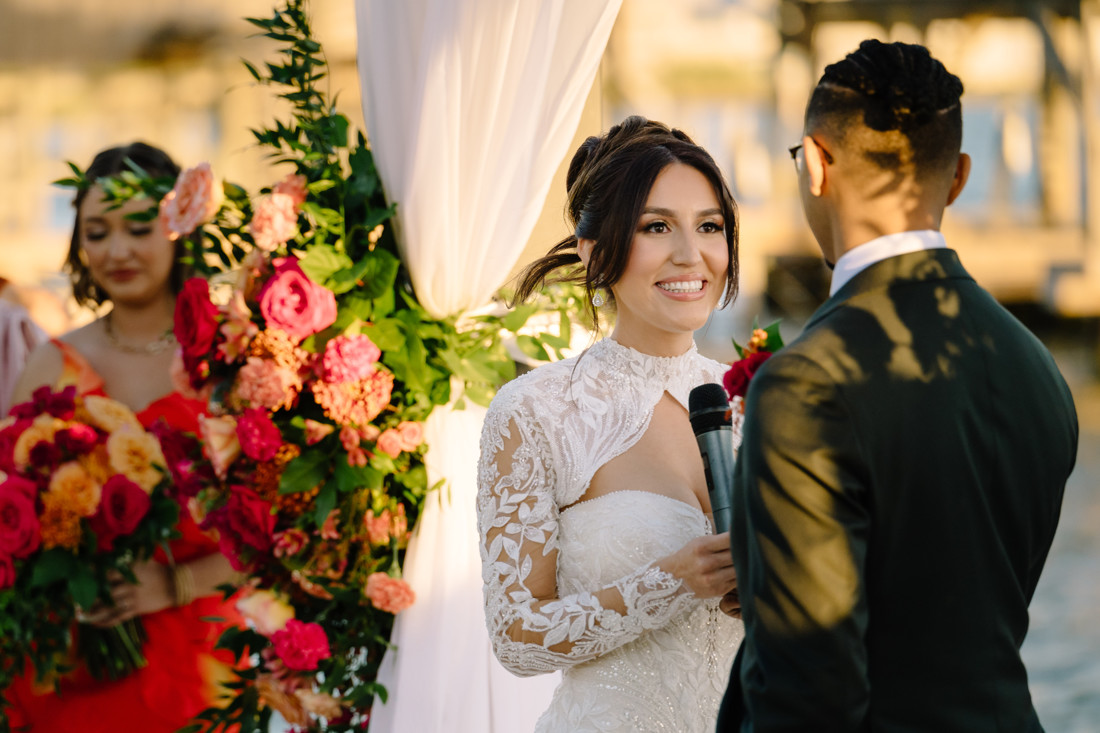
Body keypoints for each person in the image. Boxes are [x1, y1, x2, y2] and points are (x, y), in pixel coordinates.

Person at [718, 40, 1078, 731]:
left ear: (815, 163)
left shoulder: (806, 385)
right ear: (959, 175)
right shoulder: (1036, 366)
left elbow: (809, 694)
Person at [477, 115, 744, 733]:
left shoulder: (760, 400)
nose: (691, 254)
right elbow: (516, 638)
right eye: (657, 227)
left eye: (709, 226)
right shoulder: (537, 411)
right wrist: (675, 581)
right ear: (595, 250)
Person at [5, 143, 241, 732]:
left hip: (207, 658)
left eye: (138, 228)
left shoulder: (230, 360)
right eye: (97, 232)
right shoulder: (52, 363)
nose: (117, 251)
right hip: (72, 662)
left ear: (180, 229)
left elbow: (281, 531)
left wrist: (176, 584)